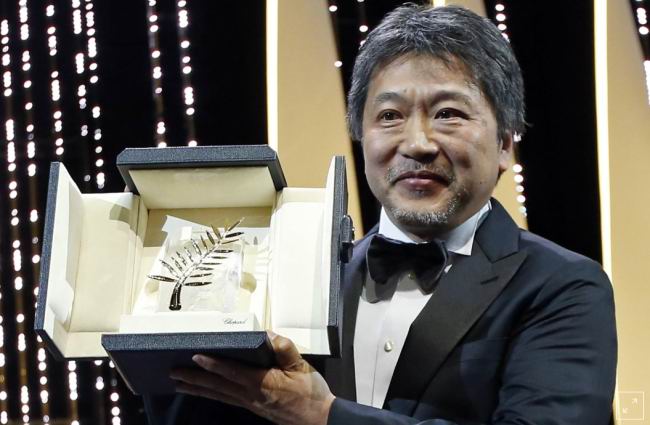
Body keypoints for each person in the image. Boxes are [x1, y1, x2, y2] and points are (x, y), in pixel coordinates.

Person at [147, 4, 617, 424]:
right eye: (389, 116)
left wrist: (323, 415)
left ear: (505, 144)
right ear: (362, 137)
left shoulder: (562, 286)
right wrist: (153, 337)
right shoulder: (303, 280)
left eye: (448, 113)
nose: (417, 143)